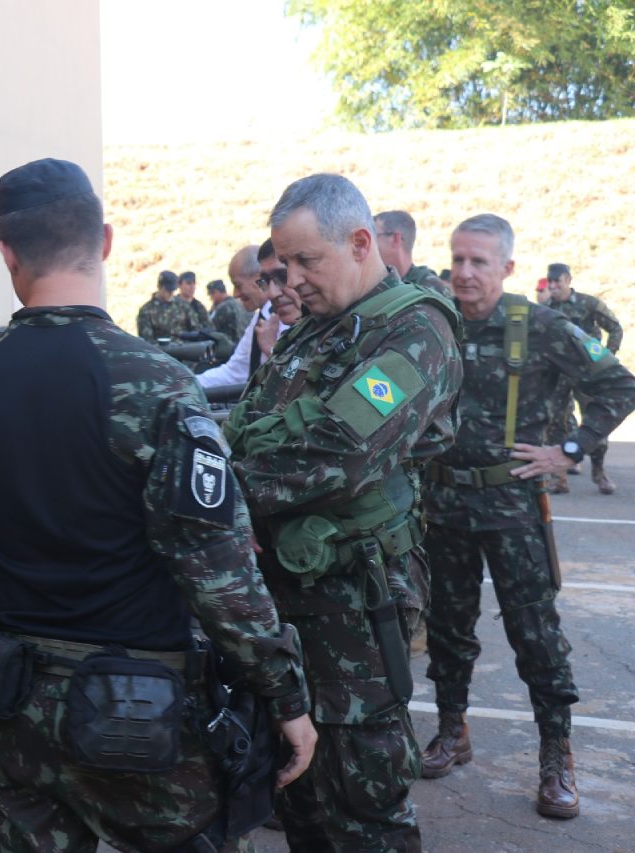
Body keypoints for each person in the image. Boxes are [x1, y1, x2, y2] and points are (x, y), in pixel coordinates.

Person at [0, 158, 316, 852]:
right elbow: (220, 574)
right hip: (139, 714)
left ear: (6, 252)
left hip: (13, 702)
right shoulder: (163, 385)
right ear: (106, 241)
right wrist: (286, 696)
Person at [224, 173, 464, 851]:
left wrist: (206, 494)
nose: (290, 281)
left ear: (362, 242)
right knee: (298, 796)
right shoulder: (316, 329)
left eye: (306, 261)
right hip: (287, 601)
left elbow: (340, 454)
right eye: (282, 264)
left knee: (364, 808)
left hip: (355, 611)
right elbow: (255, 425)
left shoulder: (417, 331)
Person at [421, 217, 635, 820]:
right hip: (443, 503)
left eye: (479, 262)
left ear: (506, 268)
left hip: (512, 506)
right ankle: (451, 730)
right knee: (447, 626)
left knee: (535, 634)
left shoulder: (539, 325)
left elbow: (619, 385)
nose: (464, 272)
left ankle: (555, 754)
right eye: (458, 259)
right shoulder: (432, 323)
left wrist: (567, 449)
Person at [545, 262, 624, 494]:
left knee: (595, 420)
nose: (552, 286)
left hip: (588, 373)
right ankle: (558, 478)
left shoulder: (589, 304)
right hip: (558, 375)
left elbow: (615, 328)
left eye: (556, 281)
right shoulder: (547, 308)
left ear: (568, 280)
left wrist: (606, 358)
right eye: (550, 282)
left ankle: (599, 474)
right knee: (554, 423)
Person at [195, 245, 275, 391]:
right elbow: (236, 371)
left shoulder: (282, 316)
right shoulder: (260, 318)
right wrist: (187, 383)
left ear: (259, 280)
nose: (236, 294)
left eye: (238, 285)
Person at [373, 210, 451, 297]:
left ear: (395, 240)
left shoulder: (428, 288)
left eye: (374, 236)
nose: (369, 245)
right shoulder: (376, 284)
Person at [136, 269, 195, 342]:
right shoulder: (146, 311)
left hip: (186, 349)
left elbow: (195, 329)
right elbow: (147, 340)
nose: (170, 293)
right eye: (167, 290)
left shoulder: (183, 306)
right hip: (161, 350)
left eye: (173, 290)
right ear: (159, 287)